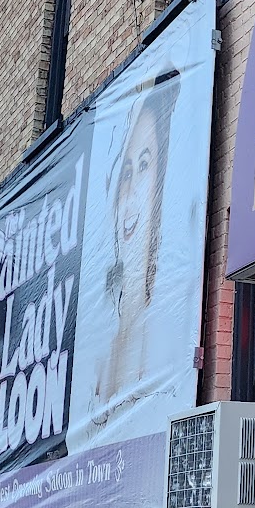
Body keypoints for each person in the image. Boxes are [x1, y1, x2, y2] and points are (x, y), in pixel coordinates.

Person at [86, 74, 178, 430]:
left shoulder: (166, 335)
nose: (130, 190)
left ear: (161, 181)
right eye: (126, 171)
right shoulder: (99, 352)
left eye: (144, 166)